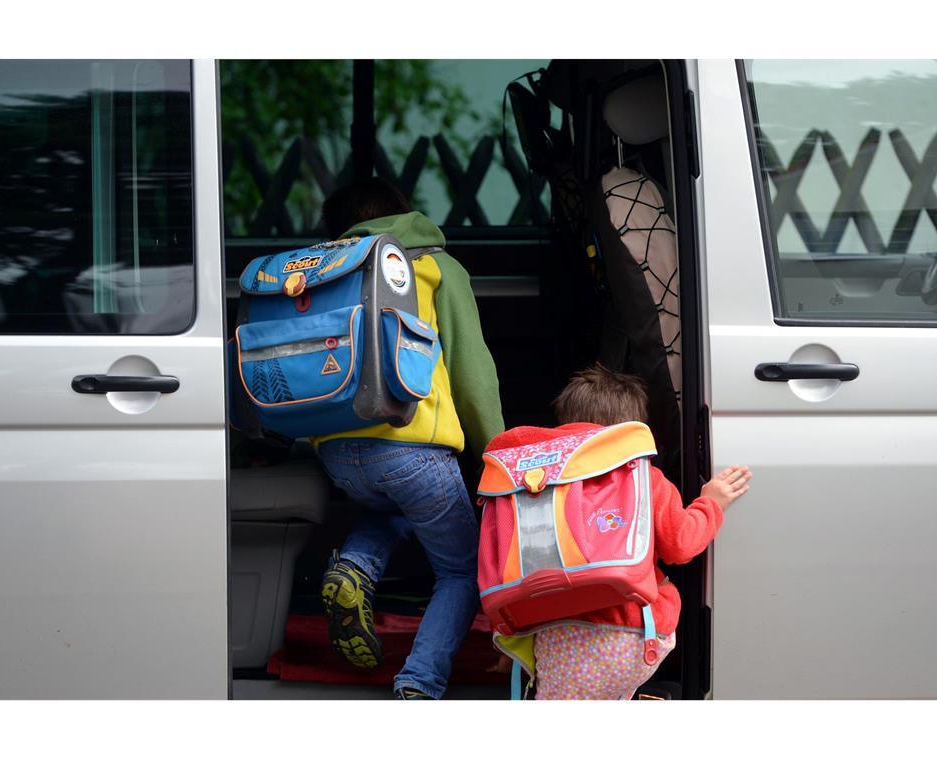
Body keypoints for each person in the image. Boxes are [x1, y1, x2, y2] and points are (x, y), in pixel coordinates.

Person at [311, 178, 504, 700]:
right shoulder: (432, 266)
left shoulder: (320, 269)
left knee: (392, 509)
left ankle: (354, 566)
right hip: (413, 448)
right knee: (461, 571)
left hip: (337, 454)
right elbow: (472, 372)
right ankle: (420, 684)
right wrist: (501, 454)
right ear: (404, 214)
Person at [485, 364, 750, 699]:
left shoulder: (537, 486)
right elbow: (681, 545)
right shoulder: (644, 479)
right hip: (632, 635)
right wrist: (710, 504)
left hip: (553, 639)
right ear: (631, 432)